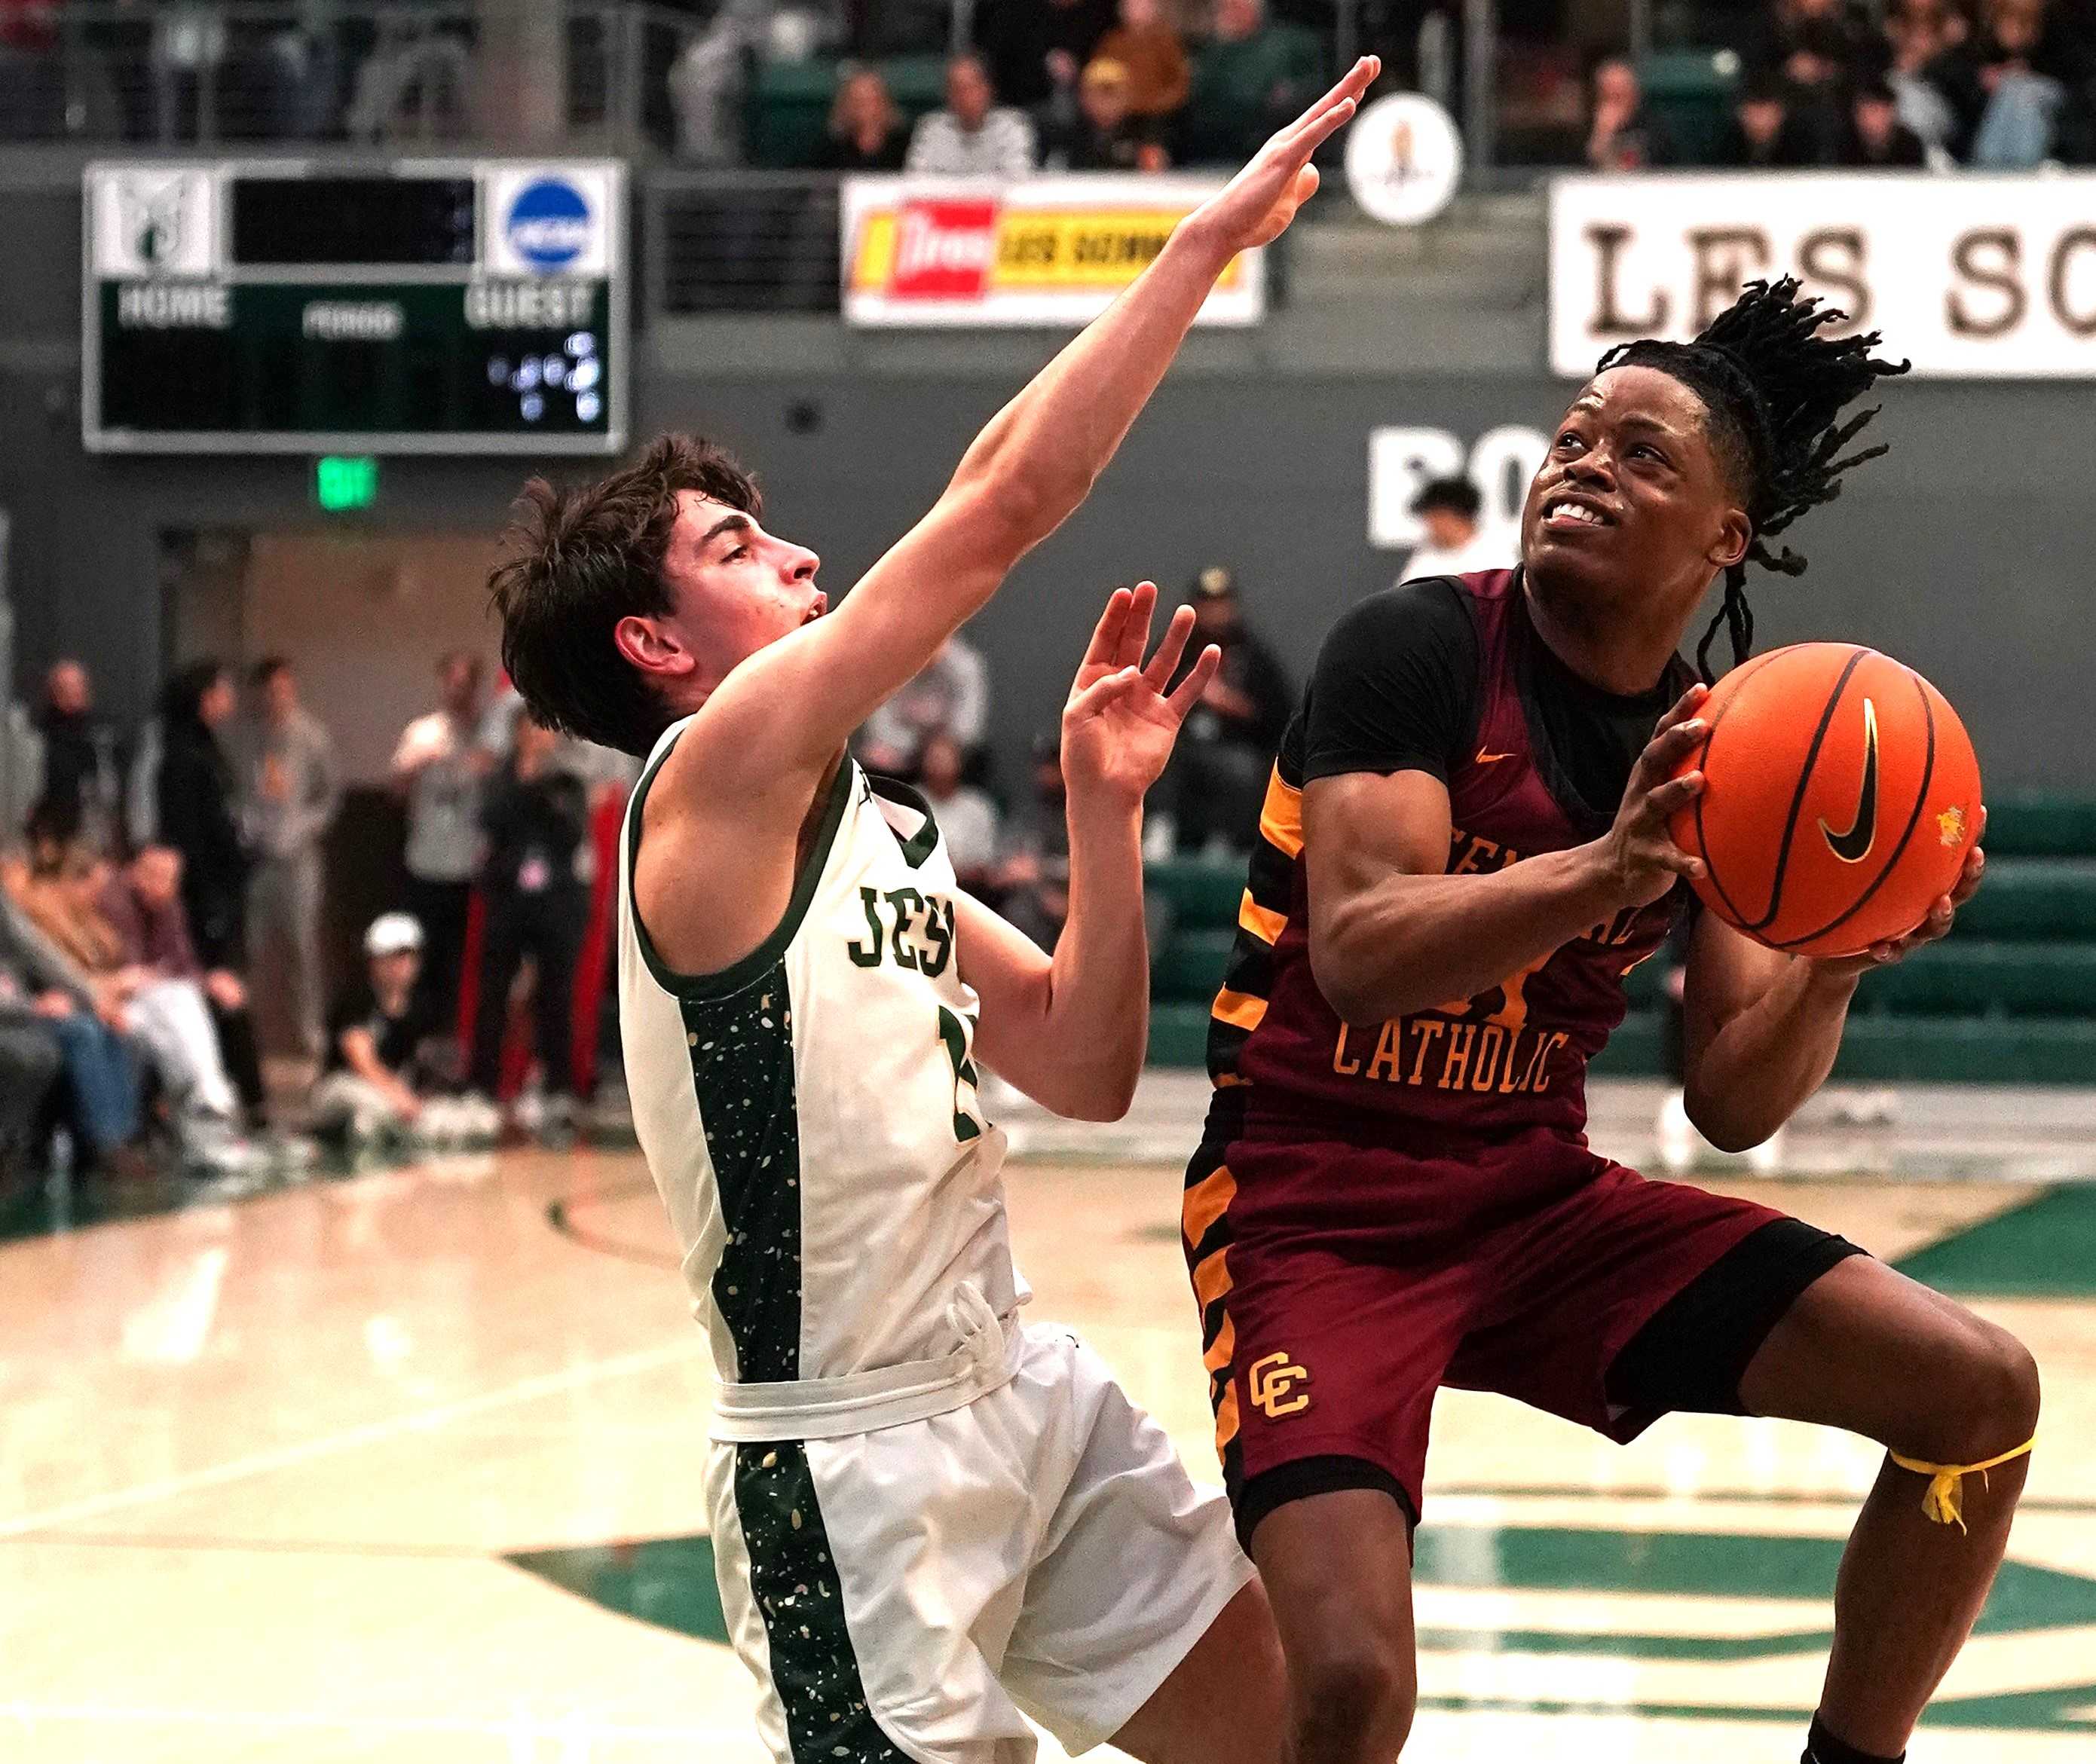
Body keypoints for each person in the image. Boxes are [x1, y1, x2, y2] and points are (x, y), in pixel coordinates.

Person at [486, 57, 1379, 1764]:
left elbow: (1082, 1057)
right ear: (656, 646)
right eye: (741, 548)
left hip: (1020, 1387)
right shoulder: (708, 780)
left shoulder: (864, 826)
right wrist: (1193, 251)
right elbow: (1000, 504)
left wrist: (1100, 817)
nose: (799, 557)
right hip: (852, 1461)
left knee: (1298, 1732)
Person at [1182, 277, 2034, 1764]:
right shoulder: (1418, 645)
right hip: (1313, 1201)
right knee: (1349, 1691)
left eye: (1643, 454)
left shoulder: (1728, 746)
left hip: (1529, 1200)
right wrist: (1611, 867)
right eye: (1574, 437)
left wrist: (1840, 952)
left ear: (1725, 537)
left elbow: (1728, 1100)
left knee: (1977, 1393)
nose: (1585, 462)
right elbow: (1367, 949)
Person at [467, 714, 592, 1133]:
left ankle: (560, 1087)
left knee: (556, 995)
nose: (536, 739)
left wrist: (539, 789)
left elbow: (570, 832)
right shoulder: (499, 778)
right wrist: (523, 784)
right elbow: (490, 820)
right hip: (508, 898)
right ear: (517, 734)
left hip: (556, 901)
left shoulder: (568, 783)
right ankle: (482, 1085)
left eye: (543, 732)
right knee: (494, 993)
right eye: (528, 730)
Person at [100, 842, 267, 1126]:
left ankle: (229, 1114)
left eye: (171, 879)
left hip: (156, 1003)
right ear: (134, 873)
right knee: (178, 1001)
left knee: (206, 1005)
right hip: (119, 1002)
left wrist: (209, 980)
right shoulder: (114, 904)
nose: (165, 886)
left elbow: (182, 963)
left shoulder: (168, 907)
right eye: (155, 876)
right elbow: (128, 968)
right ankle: (210, 1101)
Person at [240, 656, 339, 1061]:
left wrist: (305, 828)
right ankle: (257, 1035)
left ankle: (309, 1033)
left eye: (283, 688)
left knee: (302, 948)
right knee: (254, 947)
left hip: (299, 858)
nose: (277, 696)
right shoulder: (246, 738)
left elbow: (329, 797)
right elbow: (237, 792)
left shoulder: (312, 737)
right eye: (269, 690)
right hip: (256, 858)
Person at [1159, 567, 1291, 855]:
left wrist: (1231, 705)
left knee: (1242, 772)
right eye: (1208, 605)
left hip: (1240, 752)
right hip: (1179, 751)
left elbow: (1280, 718)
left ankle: (1242, 855)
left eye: (1222, 604)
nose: (1215, 613)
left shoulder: (1255, 656)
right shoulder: (1172, 652)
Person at [391, 650, 486, 1026]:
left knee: (464, 964)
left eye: (466, 683)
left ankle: (455, 1036)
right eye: (453, 681)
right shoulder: (422, 730)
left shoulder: (487, 735)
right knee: (421, 958)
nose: (458, 690)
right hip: (426, 863)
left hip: (471, 866)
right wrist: (416, 765)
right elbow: (395, 792)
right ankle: (418, 1034)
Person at [312, 912, 444, 1148]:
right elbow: (361, 1060)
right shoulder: (357, 1000)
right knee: (375, 1111)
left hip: (396, 1088)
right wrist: (397, 1096)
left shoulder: (420, 1006)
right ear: (374, 961)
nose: (402, 966)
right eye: (394, 957)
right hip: (345, 1086)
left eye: (408, 957)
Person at [154, 660, 249, 974]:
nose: (230, 696)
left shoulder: (207, 746)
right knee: (206, 964)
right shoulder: (184, 752)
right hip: (202, 883)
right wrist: (206, 887)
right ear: (206, 698)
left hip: (219, 875)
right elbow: (189, 827)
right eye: (224, 689)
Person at [1181, 0, 1319, 165]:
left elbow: (1311, 87)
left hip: (1264, 141)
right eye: (1225, 8)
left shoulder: (1287, 44)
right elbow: (1197, 96)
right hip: (1211, 149)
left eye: (1236, 6)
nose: (1230, 13)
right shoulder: (1213, 53)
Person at [855, 632, 990, 777]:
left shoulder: (965, 665)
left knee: (944, 761)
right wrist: (916, 747)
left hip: (951, 747)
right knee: (876, 758)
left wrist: (944, 745)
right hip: (902, 747)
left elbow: (969, 725)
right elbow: (881, 727)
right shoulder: (890, 666)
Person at [30, 659, 124, 853]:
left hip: (98, 831)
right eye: (65, 688)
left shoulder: (101, 735)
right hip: (55, 834)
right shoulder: (40, 738)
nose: (73, 693)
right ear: (53, 692)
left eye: (78, 686)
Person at [905, 52, 1038, 177]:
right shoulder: (931, 129)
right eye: (956, 89)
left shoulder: (1012, 127)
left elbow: (1018, 180)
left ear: (987, 89)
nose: (963, 96)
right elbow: (916, 181)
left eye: (969, 88)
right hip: (944, 201)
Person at [978, 0, 1115, 114]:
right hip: (1021, 103)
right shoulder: (1016, 11)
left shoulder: (1100, 13)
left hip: (1083, 105)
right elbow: (997, 61)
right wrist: (1044, 62)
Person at [1047, 57, 1169, 170]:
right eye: (1098, 93)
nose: (1106, 102)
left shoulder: (1143, 131)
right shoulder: (1064, 128)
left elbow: (1154, 172)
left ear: (1128, 96)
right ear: (1083, 96)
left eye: (1113, 93)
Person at [916, 731, 1002, 892]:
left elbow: (985, 866)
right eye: (934, 757)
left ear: (960, 762)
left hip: (970, 892)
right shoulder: (910, 802)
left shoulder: (978, 806)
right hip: (918, 888)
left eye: (946, 757)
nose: (940, 763)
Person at [1094, 0, 1189, 124]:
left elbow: (1180, 83)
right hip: (1118, 117)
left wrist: (1161, 104)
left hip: (1157, 117)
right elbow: (1097, 78)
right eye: (1131, 5)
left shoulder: (1166, 41)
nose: (1135, 10)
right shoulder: (1112, 42)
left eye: (1141, 5)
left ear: (1152, 8)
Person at [1402, 476, 1511, 579]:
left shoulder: (1494, 553)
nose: (1429, 523)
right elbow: (1405, 594)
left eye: (1436, 516)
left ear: (1456, 516)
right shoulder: (1426, 555)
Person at [1586, 54, 1676, 170]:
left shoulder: (1657, 126)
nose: (1614, 103)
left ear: (1634, 95)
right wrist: (1602, 135)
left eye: (1620, 95)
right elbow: (1572, 174)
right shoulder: (1585, 126)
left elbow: (1671, 169)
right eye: (1608, 95)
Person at [1716, 66, 1817, 166]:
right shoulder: (1723, 149)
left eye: (1766, 114)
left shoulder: (1805, 149)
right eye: (1754, 114)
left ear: (1781, 114)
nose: (1760, 122)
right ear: (1741, 115)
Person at [818, 65, 910, 171]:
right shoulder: (831, 150)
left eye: (873, 101)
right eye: (859, 102)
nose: (867, 109)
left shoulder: (905, 146)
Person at [1849, 72, 1930, 164]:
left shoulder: (1910, 145)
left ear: (1890, 112)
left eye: (1874, 112)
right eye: (1861, 112)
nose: (1866, 119)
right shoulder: (1845, 144)